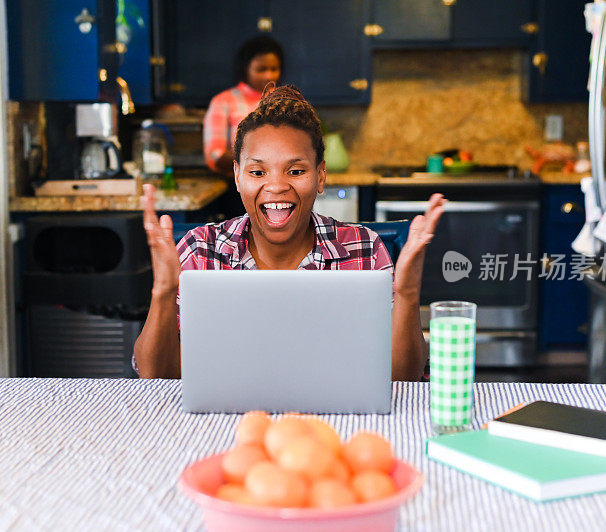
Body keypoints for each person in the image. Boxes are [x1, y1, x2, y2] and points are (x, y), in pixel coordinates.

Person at [134, 85, 445, 381]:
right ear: (238, 177)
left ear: (320, 176)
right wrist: (162, 289)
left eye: (296, 171)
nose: (277, 186)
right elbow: (155, 377)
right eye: (258, 172)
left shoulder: (364, 249)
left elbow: (404, 379)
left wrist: (406, 292)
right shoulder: (200, 250)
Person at [203, 36, 283, 178]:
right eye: (261, 69)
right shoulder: (223, 102)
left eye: (274, 69)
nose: (268, 76)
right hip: (238, 188)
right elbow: (215, 157)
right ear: (245, 69)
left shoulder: (285, 101)